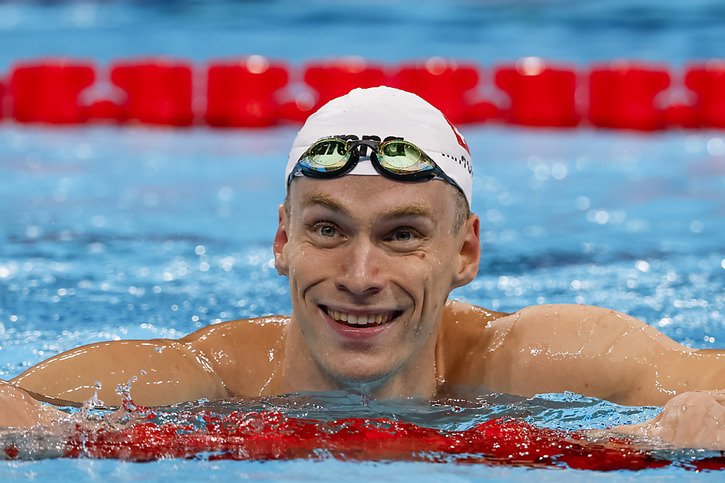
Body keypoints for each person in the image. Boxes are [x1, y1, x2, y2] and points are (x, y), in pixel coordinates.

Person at [1, 87, 723, 449]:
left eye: (402, 234)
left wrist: (692, 424)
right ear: (282, 238)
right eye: (327, 228)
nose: (359, 272)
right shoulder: (202, 379)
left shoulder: (545, 362)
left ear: (465, 251)